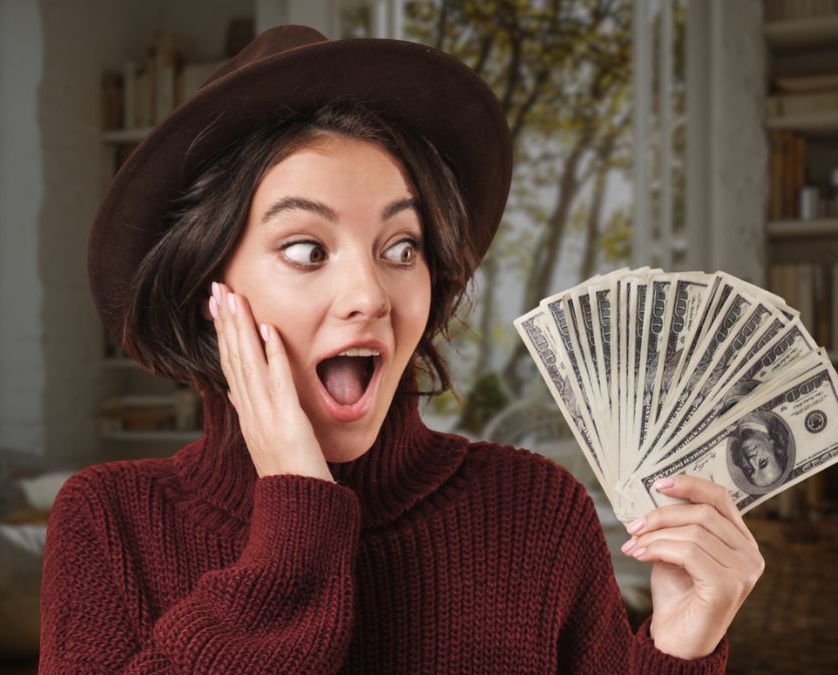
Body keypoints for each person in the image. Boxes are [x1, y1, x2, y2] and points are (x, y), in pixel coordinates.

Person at [40, 25, 763, 673]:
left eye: (400, 247)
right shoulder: (108, 521)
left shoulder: (538, 509)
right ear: (208, 286)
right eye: (306, 249)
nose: (370, 295)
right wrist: (293, 530)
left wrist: (678, 649)